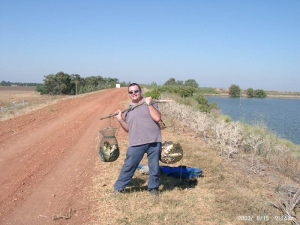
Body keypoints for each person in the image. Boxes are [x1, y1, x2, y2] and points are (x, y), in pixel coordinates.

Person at [112, 83, 162, 198]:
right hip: (136, 142)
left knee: (154, 167)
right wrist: (120, 119)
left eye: (136, 91)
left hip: (153, 140)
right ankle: (118, 188)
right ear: (129, 94)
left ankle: (153, 188)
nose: (134, 93)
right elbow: (128, 129)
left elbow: (157, 118)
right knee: (129, 166)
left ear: (140, 91)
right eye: (131, 92)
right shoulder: (128, 109)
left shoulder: (151, 103)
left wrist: (149, 104)